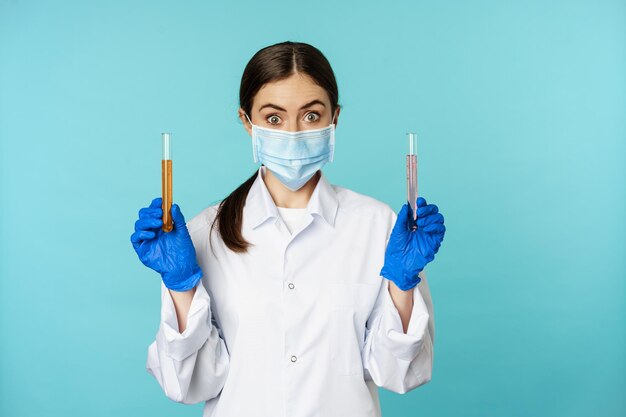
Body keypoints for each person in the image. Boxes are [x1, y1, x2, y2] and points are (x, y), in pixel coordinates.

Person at [130, 41, 446, 417]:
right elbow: (188, 384)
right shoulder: (204, 234)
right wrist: (182, 286)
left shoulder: (379, 228)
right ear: (247, 122)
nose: (294, 133)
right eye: (274, 118)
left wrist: (402, 284)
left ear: (335, 118)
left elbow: (399, 375)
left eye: (311, 116)